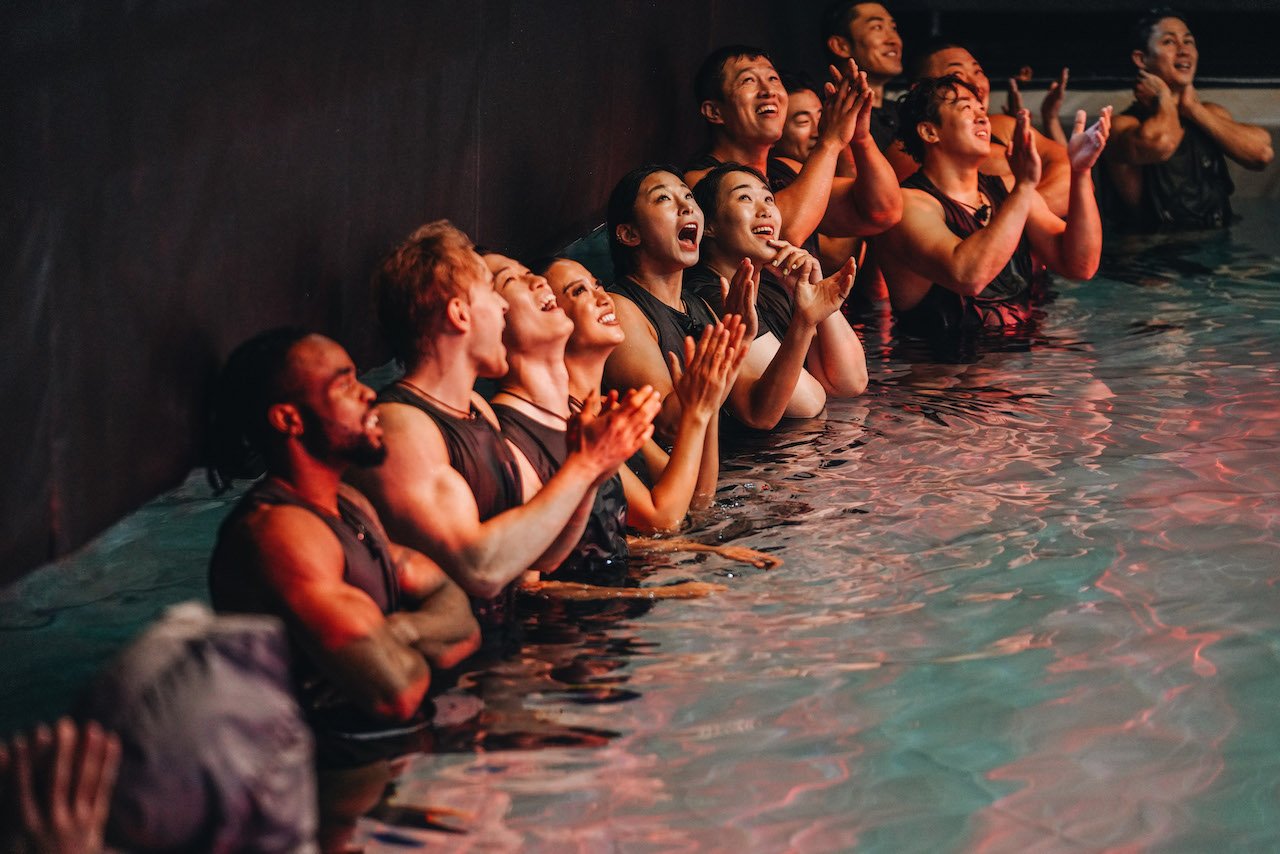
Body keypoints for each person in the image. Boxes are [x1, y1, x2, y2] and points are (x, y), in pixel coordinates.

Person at [350, 220, 660, 632]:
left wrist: (593, 470)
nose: (502, 308)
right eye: (492, 295)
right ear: (460, 313)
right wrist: (585, 467)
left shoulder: (477, 409)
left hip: (515, 651)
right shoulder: (402, 426)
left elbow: (542, 558)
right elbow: (481, 569)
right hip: (468, 681)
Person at [206, 327, 481, 745]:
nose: (368, 394)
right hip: (331, 780)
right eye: (345, 385)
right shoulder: (281, 534)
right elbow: (396, 693)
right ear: (289, 419)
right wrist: (424, 640)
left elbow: (459, 612)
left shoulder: (348, 502)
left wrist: (399, 632)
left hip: (390, 754)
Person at [874, 76, 1111, 347]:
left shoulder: (1009, 192)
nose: (982, 118)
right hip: (942, 377)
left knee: (1097, 389)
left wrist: (1081, 172)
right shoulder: (909, 205)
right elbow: (968, 276)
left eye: (982, 110)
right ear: (930, 132)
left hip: (1019, 362)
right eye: (966, 109)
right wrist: (1024, 187)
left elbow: (1080, 266)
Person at [604, 164, 832, 432]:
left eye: (688, 197)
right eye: (664, 198)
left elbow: (759, 413)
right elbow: (670, 426)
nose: (687, 207)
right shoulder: (622, 309)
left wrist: (804, 322)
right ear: (630, 234)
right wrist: (732, 346)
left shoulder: (697, 306)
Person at [685, 45, 901, 254]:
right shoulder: (700, 181)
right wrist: (830, 141)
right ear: (714, 111)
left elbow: (883, 212)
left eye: (773, 79)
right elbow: (783, 235)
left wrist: (860, 137)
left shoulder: (789, 171)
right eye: (748, 80)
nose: (768, 91)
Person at [687, 162, 867, 406]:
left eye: (769, 199)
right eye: (744, 198)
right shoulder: (710, 295)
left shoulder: (773, 288)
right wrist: (804, 321)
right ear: (708, 225)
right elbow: (807, 402)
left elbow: (849, 383)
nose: (765, 210)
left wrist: (814, 290)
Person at [1104, 8, 1273, 232]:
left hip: (1215, 250)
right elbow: (1162, 144)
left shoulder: (1209, 114)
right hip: (1152, 256)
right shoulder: (1120, 126)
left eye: (1189, 42)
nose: (1184, 51)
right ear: (1141, 59)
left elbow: (1261, 154)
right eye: (1169, 42)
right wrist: (1163, 97)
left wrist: (1193, 109)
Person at [903, 41, 1074, 216]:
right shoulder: (911, 155)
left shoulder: (1004, 126)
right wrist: (1020, 209)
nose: (975, 83)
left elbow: (1070, 169)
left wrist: (1025, 206)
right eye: (956, 74)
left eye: (978, 72)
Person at [822, 1, 905, 152]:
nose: (894, 40)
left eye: (893, 28)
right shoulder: (829, 117)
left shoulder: (903, 112)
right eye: (877, 27)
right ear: (840, 46)